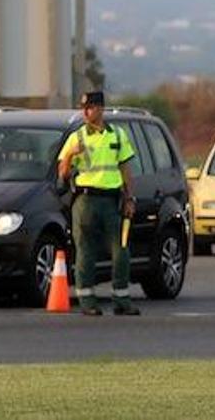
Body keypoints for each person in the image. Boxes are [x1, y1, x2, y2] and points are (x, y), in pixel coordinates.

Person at [57, 91, 140, 317]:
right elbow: (62, 173)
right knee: (85, 251)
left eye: (90, 107)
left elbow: (125, 169)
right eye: (83, 108)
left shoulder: (117, 135)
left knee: (121, 250)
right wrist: (70, 155)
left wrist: (129, 198)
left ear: (101, 109)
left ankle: (121, 299)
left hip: (112, 200)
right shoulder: (76, 137)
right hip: (85, 201)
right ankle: (87, 301)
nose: (85, 112)